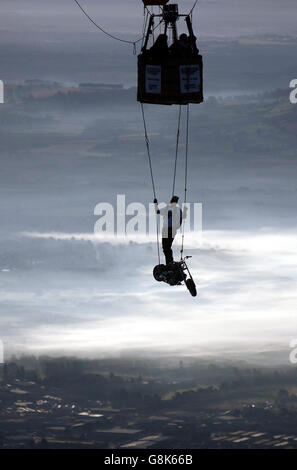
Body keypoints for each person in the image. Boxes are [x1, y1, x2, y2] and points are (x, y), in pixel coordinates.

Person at [154, 196, 187, 265]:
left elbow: (157, 211)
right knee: (167, 247)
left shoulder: (167, 208)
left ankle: (169, 263)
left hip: (166, 229)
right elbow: (182, 218)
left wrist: (155, 204)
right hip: (172, 230)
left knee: (165, 247)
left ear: (171, 201)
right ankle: (169, 263)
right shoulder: (179, 210)